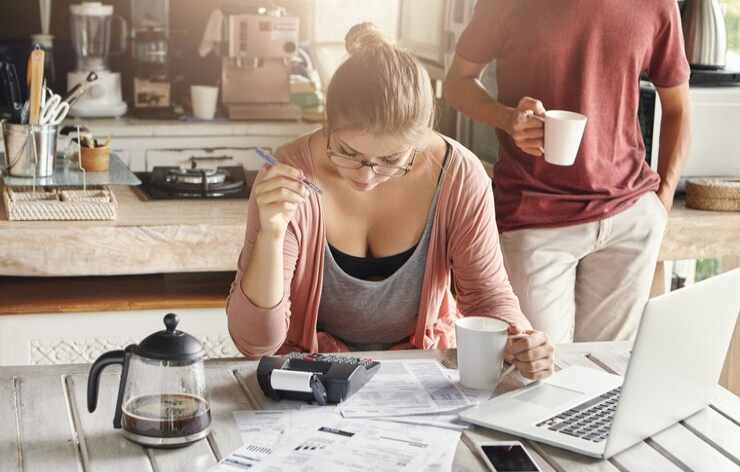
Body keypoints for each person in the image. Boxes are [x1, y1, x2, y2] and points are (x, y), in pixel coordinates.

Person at [227, 23, 555, 380]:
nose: (366, 176)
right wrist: (271, 237)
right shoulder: (289, 172)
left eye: (390, 161)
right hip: (311, 376)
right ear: (327, 124)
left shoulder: (458, 175)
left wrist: (521, 340)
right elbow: (255, 344)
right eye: (348, 153)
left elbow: (487, 297)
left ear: (421, 141)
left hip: (417, 373)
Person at [444, 0, 691, 343]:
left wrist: (661, 203)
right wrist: (507, 119)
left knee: (606, 376)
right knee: (535, 377)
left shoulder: (657, 4)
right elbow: (456, 82)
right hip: (534, 220)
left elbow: (678, 107)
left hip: (628, 221)